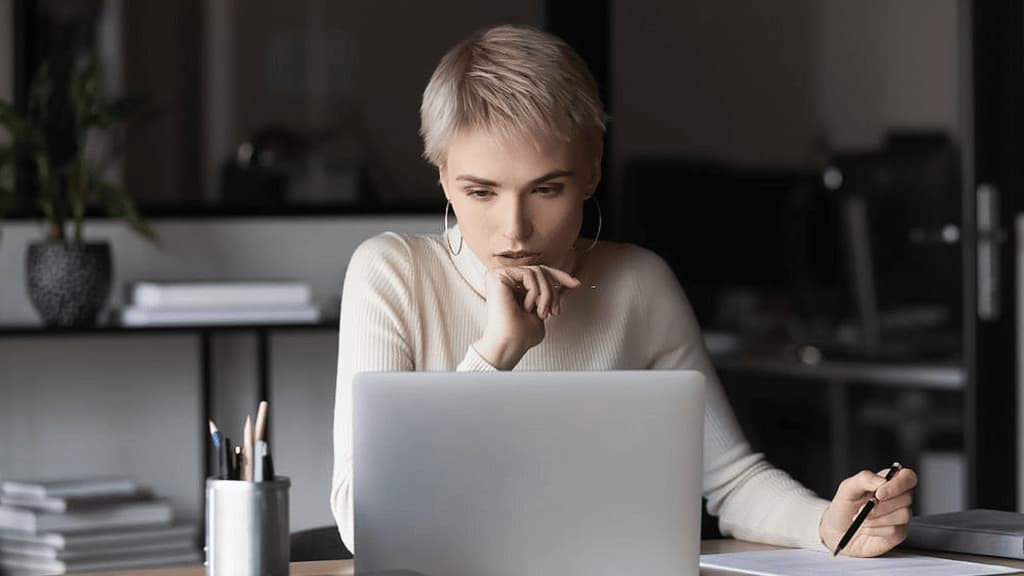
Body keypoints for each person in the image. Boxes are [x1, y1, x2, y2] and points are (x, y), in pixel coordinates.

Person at [331, 23, 917, 557]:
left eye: (547, 189)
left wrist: (830, 523)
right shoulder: (392, 274)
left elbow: (732, 481)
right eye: (481, 192)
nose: (514, 230)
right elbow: (365, 518)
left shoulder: (639, 284)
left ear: (591, 171)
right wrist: (495, 355)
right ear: (442, 175)